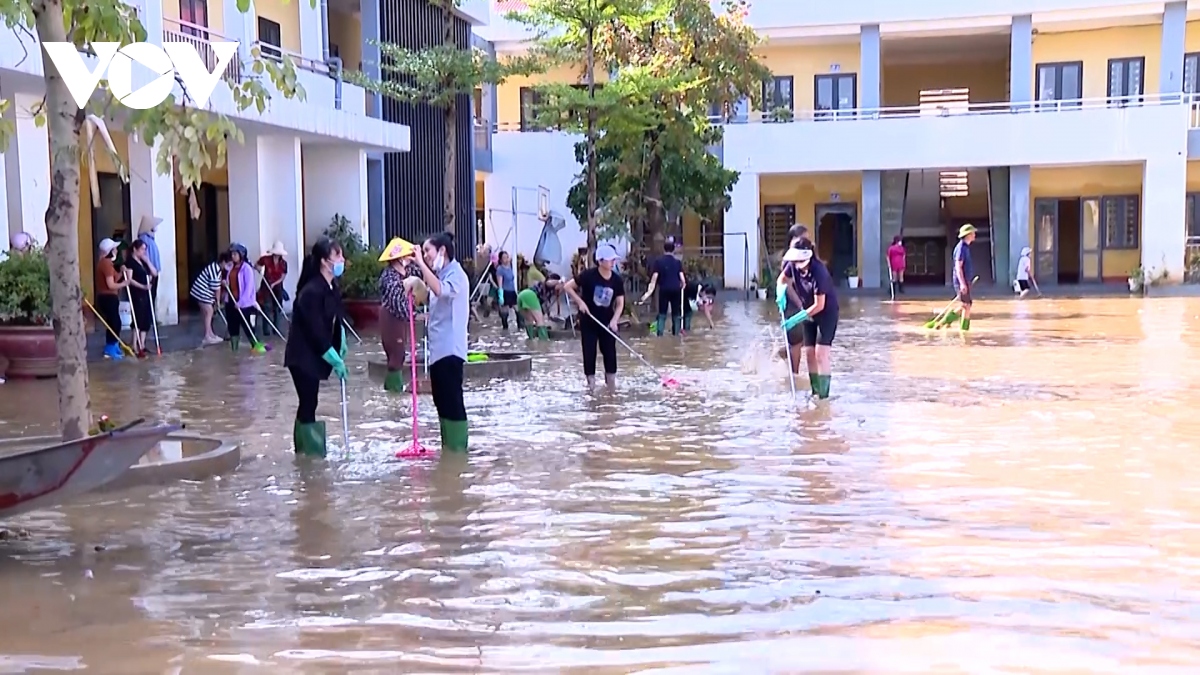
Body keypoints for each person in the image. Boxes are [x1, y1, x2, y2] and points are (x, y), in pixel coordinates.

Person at [284, 237, 348, 458]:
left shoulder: (331, 287)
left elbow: (336, 317)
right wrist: (333, 358)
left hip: (316, 352)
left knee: (310, 400)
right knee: (308, 399)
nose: (342, 260)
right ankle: (307, 452)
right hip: (302, 356)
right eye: (337, 256)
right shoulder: (310, 292)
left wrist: (341, 342)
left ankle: (304, 449)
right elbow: (316, 331)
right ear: (324, 261)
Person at [411, 232, 470, 452]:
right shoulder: (440, 274)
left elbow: (439, 290)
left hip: (450, 349)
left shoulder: (456, 275)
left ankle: (457, 450)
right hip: (437, 350)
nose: (425, 255)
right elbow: (430, 295)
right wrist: (417, 284)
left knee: (452, 401)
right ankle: (448, 448)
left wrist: (419, 264)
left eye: (428, 251)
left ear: (442, 251)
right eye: (423, 252)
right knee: (440, 400)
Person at [777, 242, 839, 399]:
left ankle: (824, 396)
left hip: (826, 313)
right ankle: (815, 391)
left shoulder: (820, 273)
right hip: (807, 312)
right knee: (809, 353)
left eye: (799, 261)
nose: (796, 265)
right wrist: (781, 294)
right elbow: (782, 279)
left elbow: (819, 305)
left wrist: (796, 318)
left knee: (821, 353)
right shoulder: (793, 266)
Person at [563, 244, 625, 388]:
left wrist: (615, 320)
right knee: (589, 353)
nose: (613, 262)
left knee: (610, 355)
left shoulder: (617, 280)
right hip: (589, 321)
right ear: (600, 261)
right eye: (610, 260)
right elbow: (568, 287)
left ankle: (611, 388)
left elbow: (620, 303)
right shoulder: (588, 276)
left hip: (607, 323)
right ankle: (590, 387)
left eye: (614, 260)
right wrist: (580, 303)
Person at [377, 237, 426, 393]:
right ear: (398, 258)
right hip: (391, 317)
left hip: (402, 318)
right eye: (406, 256)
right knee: (396, 355)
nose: (409, 259)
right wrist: (414, 314)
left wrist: (419, 260)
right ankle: (393, 391)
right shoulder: (389, 277)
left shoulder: (409, 271)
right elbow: (397, 302)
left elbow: (423, 277)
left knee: (400, 354)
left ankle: (394, 389)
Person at [641, 239, 686, 336]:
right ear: (673, 249)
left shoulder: (659, 262)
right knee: (676, 313)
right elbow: (682, 279)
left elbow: (654, 278)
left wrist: (648, 293)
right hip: (676, 290)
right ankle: (676, 333)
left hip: (664, 289)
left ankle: (660, 333)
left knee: (662, 313)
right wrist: (682, 286)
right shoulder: (677, 262)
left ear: (664, 249)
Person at [95, 238, 129, 360]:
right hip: (107, 297)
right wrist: (125, 283)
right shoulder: (106, 264)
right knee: (114, 323)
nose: (116, 250)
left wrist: (121, 272)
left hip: (109, 297)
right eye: (114, 249)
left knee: (113, 322)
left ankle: (114, 346)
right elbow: (111, 285)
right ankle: (110, 348)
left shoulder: (107, 264)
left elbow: (114, 278)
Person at [125, 239, 158, 358]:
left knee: (145, 318)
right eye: (142, 249)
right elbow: (129, 279)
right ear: (135, 249)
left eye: (145, 249)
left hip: (146, 293)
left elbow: (154, 273)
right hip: (137, 293)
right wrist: (143, 286)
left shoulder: (142, 262)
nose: (144, 251)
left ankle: (142, 344)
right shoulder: (130, 262)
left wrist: (147, 260)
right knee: (137, 317)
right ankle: (134, 344)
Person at [191, 252, 231, 346]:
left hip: (202, 291)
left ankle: (210, 334)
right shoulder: (215, 269)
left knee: (208, 312)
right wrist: (217, 301)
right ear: (223, 262)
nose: (229, 266)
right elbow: (216, 288)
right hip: (201, 292)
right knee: (209, 311)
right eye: (228, 264)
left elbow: (216, 283)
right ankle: (207, 336)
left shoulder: (216, 268)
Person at [225, 243, 258, 350]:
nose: (233, 256)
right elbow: (230, 282)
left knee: (249, 329)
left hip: (245, 305)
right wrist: (226, 283)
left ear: (241, 255)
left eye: (235, 254)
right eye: (232, 254)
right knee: (233, 328)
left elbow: (249, 288)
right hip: (231, 302)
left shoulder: (247, 269)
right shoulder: (230, 267)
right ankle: (234, 350)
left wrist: (241, 302)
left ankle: (256, 346)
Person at [516, 273, 563, 339]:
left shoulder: (548, 292)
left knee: (529, 320)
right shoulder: (547, 284)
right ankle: (543, 341)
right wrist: (560, 281)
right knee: (540, 321)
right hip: (530, 295)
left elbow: (543, 308)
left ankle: (531, 339)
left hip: (522, 295)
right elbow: (548, 282)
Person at [256, 241, 289, 326]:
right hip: (266, 285)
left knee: (277, 307)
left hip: (277, 286)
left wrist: (274, 284)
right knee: (266, 306)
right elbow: (257, 265)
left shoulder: (283, 263)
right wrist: (259, 269)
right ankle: (266, 328)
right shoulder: (265, 259)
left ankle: (276, 327)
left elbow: (282, 277)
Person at [952, 224, 976, 331]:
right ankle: (947, 322)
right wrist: (962, 283)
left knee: (967, 305)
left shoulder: (966, 247)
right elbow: (958, 266)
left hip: (966, 281)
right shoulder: (961, 248)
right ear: (968, 235)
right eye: (973, 233)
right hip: (961, 281)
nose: (974, 235)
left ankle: (964, 329)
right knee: (966, 305)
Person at [137, 215, 163, 304]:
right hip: (150, 272)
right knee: (149, 298)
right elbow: (145, 257)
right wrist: (150, 272)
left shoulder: (150, 239)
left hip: (153, 271)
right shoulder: (144, 240)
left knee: (152, 297)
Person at [494, 251, 519, 330]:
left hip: (512, 291)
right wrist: (501, 296)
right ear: (500, 260)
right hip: (505, 292)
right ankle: (505, 329)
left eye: (507, 257)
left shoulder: (510, 267)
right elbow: (500, 283)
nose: (506, 259)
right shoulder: (500, 269)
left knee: (518, 310)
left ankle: (520, 327)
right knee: (505, 313)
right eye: (504, 258)